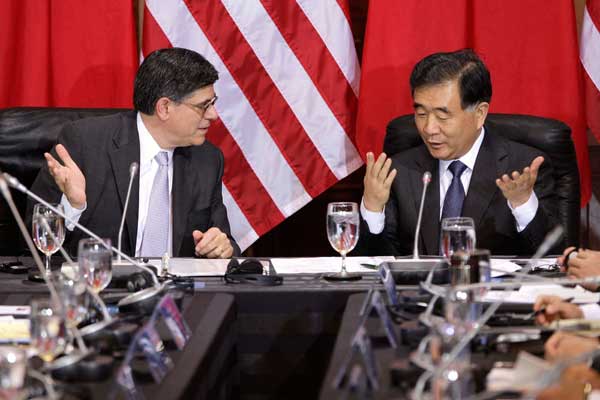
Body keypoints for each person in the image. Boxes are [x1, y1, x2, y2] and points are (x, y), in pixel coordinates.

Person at [28, 47, 240, 258]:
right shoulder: (85, 144)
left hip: (177, 290)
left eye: (213, 103)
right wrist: (73, 206)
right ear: (164, 108)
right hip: (102, 287)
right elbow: (30, 239)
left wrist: (222, 247)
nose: (213, 115)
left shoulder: (208, 159)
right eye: (204, 105)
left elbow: (222, 239)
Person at [357, 49, 559, 256]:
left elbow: (553, 259)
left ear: (479, 114)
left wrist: (523, 204)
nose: (429, 128)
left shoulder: (523, 168)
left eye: (442, 117)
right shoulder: (398, 170)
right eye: (421, 114)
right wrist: (372, 208)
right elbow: (374, 264)